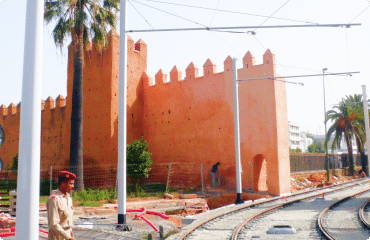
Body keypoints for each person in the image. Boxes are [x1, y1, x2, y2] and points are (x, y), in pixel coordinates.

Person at [47, 171, 76, 240]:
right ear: (63, 184)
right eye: (71, 184)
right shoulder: (54, 200)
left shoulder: (68, 198)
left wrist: (71, 236)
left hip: (68, 235)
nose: (73, 186)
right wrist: (68, 238)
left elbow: (68, 223)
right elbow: (54, 224)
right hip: (57, 236)